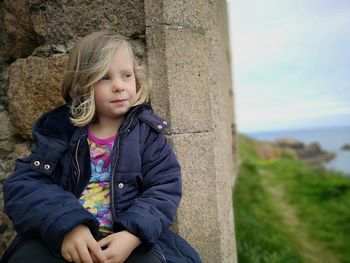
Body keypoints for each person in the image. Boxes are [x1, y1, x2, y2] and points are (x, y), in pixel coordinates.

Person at [1, 31, 202, 263]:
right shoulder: (60, 131)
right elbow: (26, 185)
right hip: (69, 238)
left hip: (127, 240)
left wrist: (133, 233)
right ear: (82, 83)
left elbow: (164, 188)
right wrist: (68, 226)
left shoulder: (147, 133)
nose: (118, 85)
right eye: (104, 77)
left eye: (126, 75)